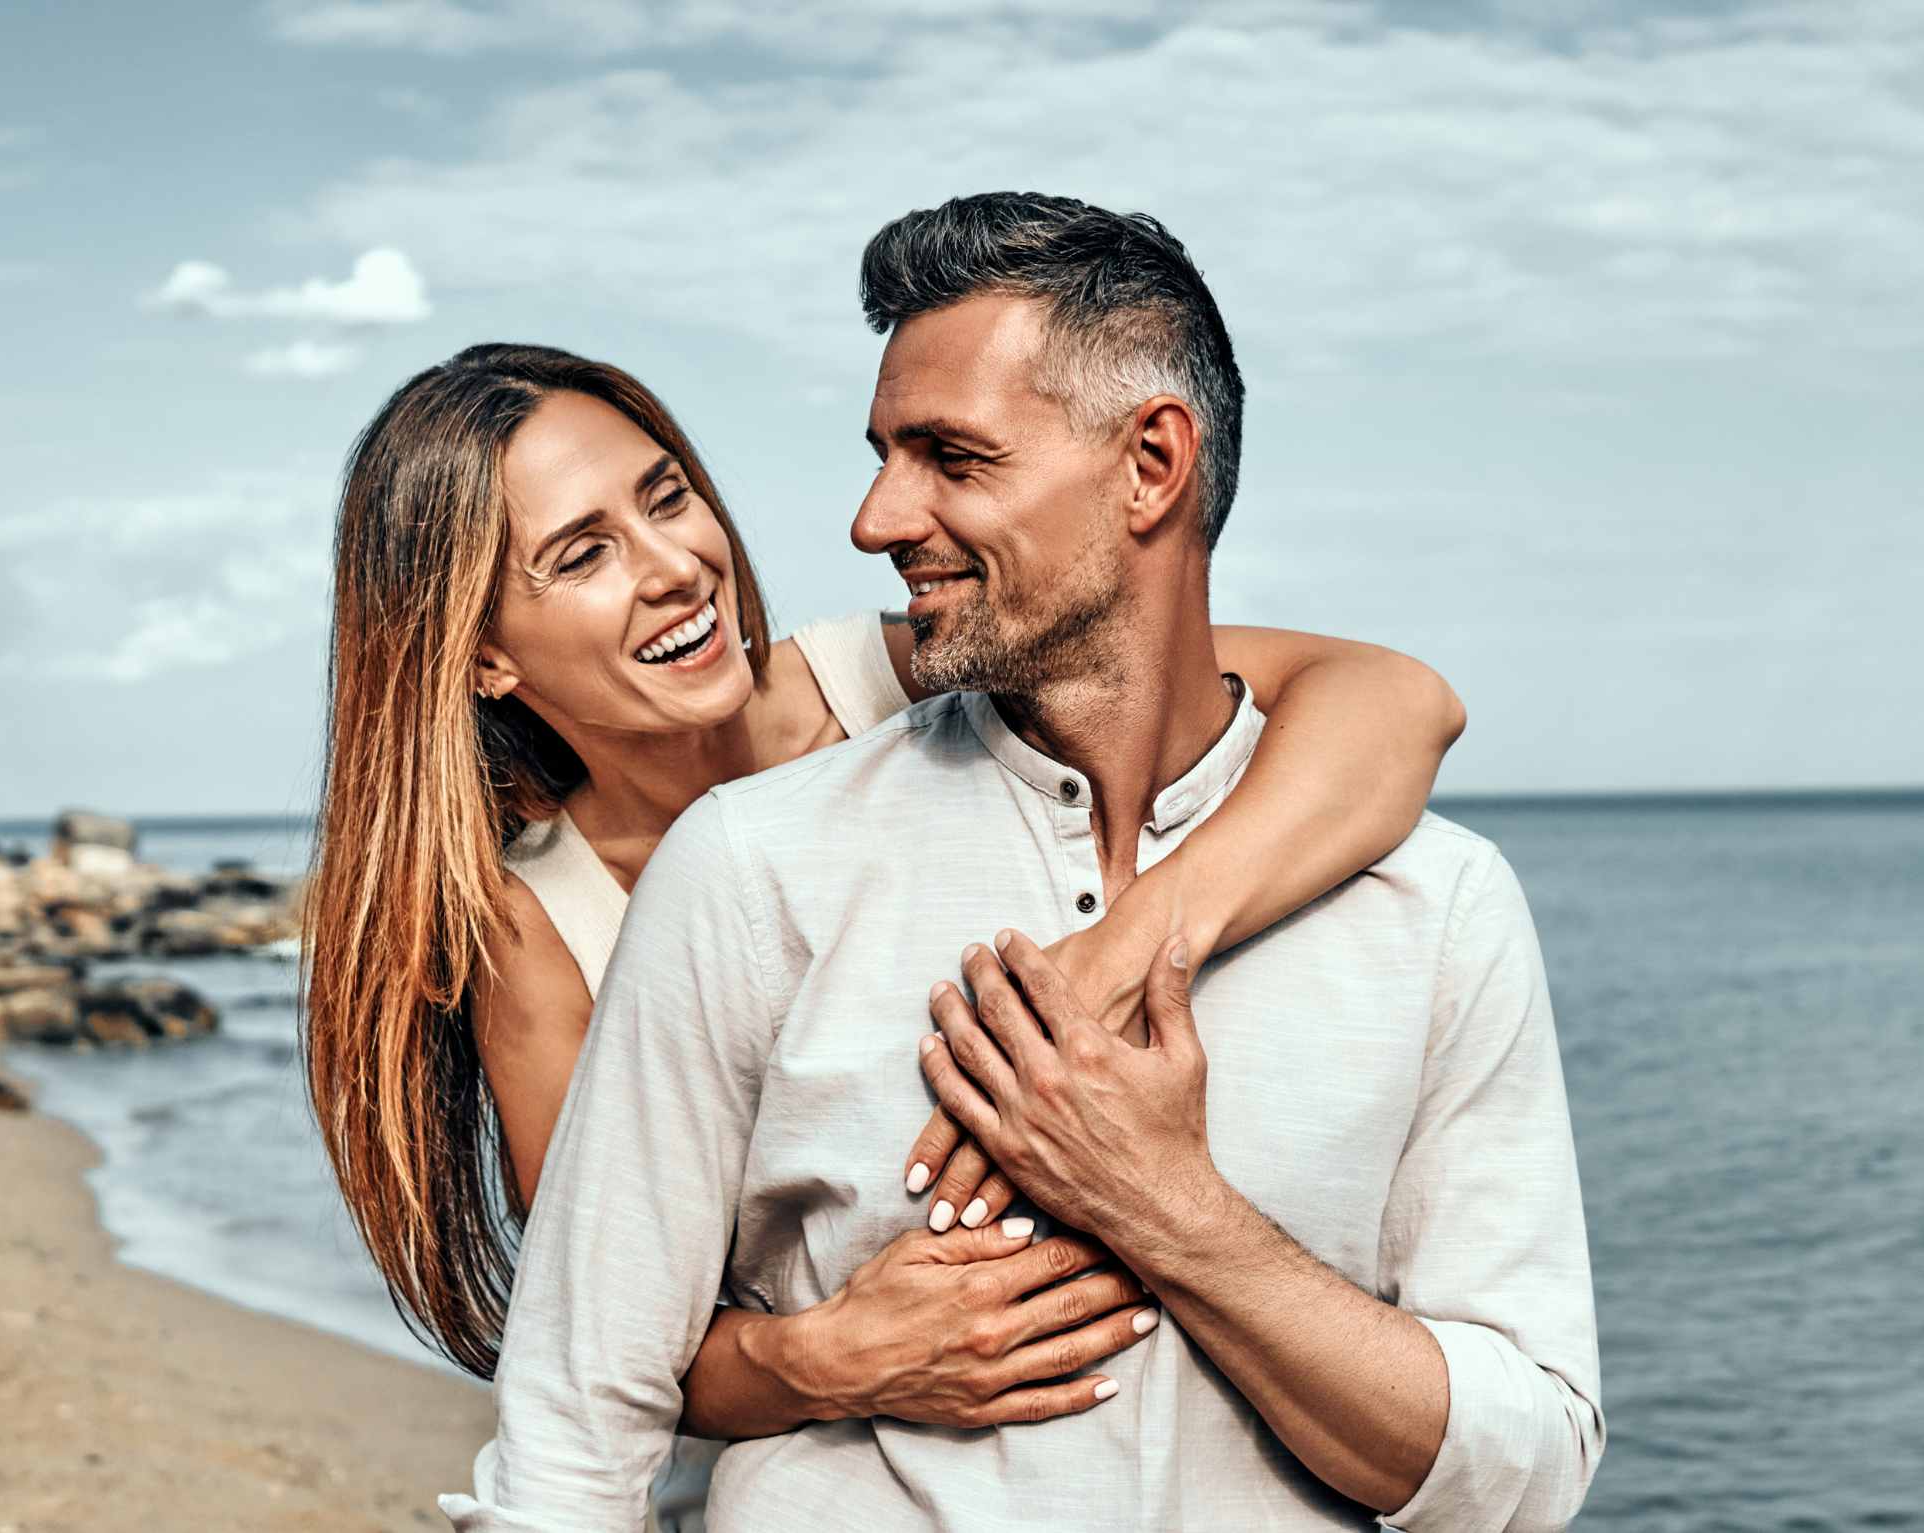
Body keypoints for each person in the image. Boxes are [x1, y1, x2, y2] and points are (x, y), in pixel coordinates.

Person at [445, 193, 1602, 1531]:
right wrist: (818, 1354)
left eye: (952, 456)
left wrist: (1172, 1208)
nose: (876, 518)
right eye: (885, 453)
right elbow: (580, 1420)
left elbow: (1523, 1475)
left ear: (1152, 464)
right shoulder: (741, 868)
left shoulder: (1438, 907)